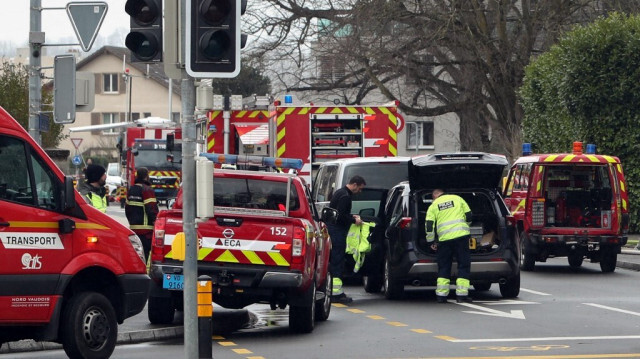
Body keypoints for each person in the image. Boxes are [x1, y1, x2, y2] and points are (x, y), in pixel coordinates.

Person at [425, 188, 473, 304]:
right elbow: (469, 215)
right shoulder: (458, 199)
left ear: (434, 196)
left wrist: (431, 242)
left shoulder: (434, 205)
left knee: (444, 266)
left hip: (444, 240)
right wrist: (465, 226)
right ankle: (461, 296)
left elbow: (429, 225)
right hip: (461, 238)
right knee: (463, 265)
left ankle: (441, 296)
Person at [327, 175, 366, 304]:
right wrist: (354, 220)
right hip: (337, 231)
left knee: (335, 259)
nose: (359, 192)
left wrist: (350, 216)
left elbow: (338, 213)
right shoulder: (346, 197)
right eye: (359, 189)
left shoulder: (340, 192)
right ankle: (336, 293)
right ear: (354, 184)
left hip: (333, 229)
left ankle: (333, 291)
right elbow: (340, 216)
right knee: (337, 261)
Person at [125, 167, 159, 261]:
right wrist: (156, 223)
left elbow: (127, 209)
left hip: (134, 230)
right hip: (146, 231)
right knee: (145, 255)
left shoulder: (131, 189)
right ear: (146, 176)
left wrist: (132, 222)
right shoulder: (147, 189)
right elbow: (151, 208)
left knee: (135, 255)